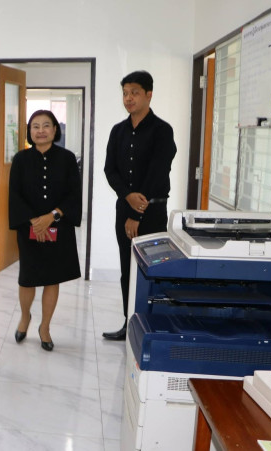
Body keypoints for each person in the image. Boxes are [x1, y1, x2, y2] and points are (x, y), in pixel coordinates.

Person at [103, 70, 176, 341]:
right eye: (125, 93)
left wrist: (137, 210)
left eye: (134, 92)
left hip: (153, 212)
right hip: (124, 209)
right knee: (127, 268)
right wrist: (127, 196)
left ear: (148, 94)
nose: (128, 98)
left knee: (150, 270)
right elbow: (110, 170)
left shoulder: (162, 130)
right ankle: (129, 323)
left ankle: (150, 327)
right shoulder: (118, 131)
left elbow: (158, 171)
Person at [9, 110, 81, 351]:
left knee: (52, 278)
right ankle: (25, 317)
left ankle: (45, 327)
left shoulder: (67, 158)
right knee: (27, 278)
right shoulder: (20, 159)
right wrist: (34, 222)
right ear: (29, 131)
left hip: (59, 226)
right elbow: (15, 195)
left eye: (46, 125)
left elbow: (74, 194)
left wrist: (52, 217)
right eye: (35, 126)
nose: (41, 130)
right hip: (28, 227)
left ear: (55, 130)